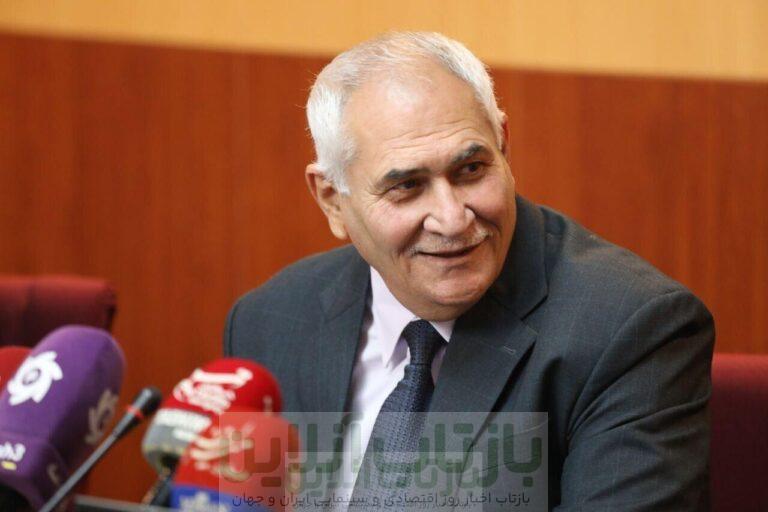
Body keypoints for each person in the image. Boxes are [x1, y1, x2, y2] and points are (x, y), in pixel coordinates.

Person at [224, 32, 714, 511]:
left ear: (503, 144)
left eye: (471, 170)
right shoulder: (269, 322)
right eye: (407, 186)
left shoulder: (629, 329)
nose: (453, 218)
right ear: (333, 200)